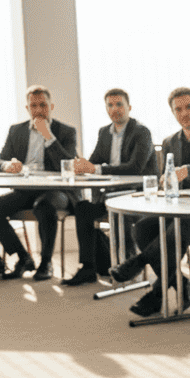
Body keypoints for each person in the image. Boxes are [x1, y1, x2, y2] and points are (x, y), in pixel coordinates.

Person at [109, 87, 190, 317]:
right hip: (183, 209)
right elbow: (166, 180)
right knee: (143, 228)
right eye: (178, 109)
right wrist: (166, 181)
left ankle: (153, 288)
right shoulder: (169, 142)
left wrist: (187, 171)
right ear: (174, 113)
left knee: (179, 225)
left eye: (189, 107)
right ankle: (182, 286)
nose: (184, 113)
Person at [62, 88, 156, 287]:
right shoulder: (104, 132)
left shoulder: (142, 132)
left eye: (119, 104)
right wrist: (81, 166)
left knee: (117, 212)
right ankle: (88, 267)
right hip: (111, 196)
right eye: (110, 105)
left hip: (138, 197)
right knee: (82, 209)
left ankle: (128, 266)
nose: (115, 109)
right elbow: (95, 161)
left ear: (129, 107)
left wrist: (95, 168)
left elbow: (135, 168)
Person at [0, 85, 79, 280]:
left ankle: (46, 262)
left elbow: (69, 164)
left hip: (57, 191)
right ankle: (23, 257)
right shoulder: (16, 131)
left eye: (43, 105)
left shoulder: (66, 132)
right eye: (33, 106)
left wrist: (47, 135)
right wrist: (8, 166)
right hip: (26, 190)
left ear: (51, 106)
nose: (38, 110)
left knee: (44, 206)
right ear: (27, 109)